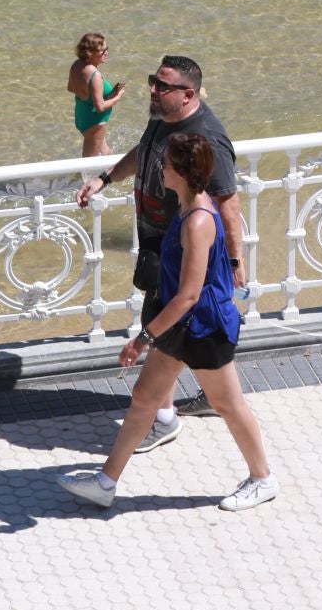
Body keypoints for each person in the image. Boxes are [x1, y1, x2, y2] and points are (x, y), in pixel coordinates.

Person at [59, 132, 277, 513]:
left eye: (167, 163)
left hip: (205, 327)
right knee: (145, 397)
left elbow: (189, 296)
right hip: (181, 326)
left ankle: (262, 479)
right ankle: (106, 483)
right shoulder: (185, 206)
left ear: (184, 172)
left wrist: (143, 338)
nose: (160, 167)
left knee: (228, 405)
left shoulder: (198, 221)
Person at [76, 54, 243, 446]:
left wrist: (235, 261)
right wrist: (105, 178)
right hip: (158, 242)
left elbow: (228, 204)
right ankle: (202, 397)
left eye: (163, 86)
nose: (153, 89)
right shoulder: (162, 118)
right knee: (178, 327)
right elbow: (145, 150)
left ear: (188, 94)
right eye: (154, 81)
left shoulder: (207, 138)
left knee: (163, 325)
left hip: (183, 250)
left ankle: (165, 417)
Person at [67, 33, 125, 158]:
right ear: (90, 53)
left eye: (107, 48)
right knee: (88, 164)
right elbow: (100, 107)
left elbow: (71, 88)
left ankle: (114, 169)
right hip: (95, 123)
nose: (106, 53)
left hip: (82, 115)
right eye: (102, 50)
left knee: (106, 154)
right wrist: (117, 97)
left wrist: (88, 96)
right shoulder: (95, 75)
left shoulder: (76, 65)